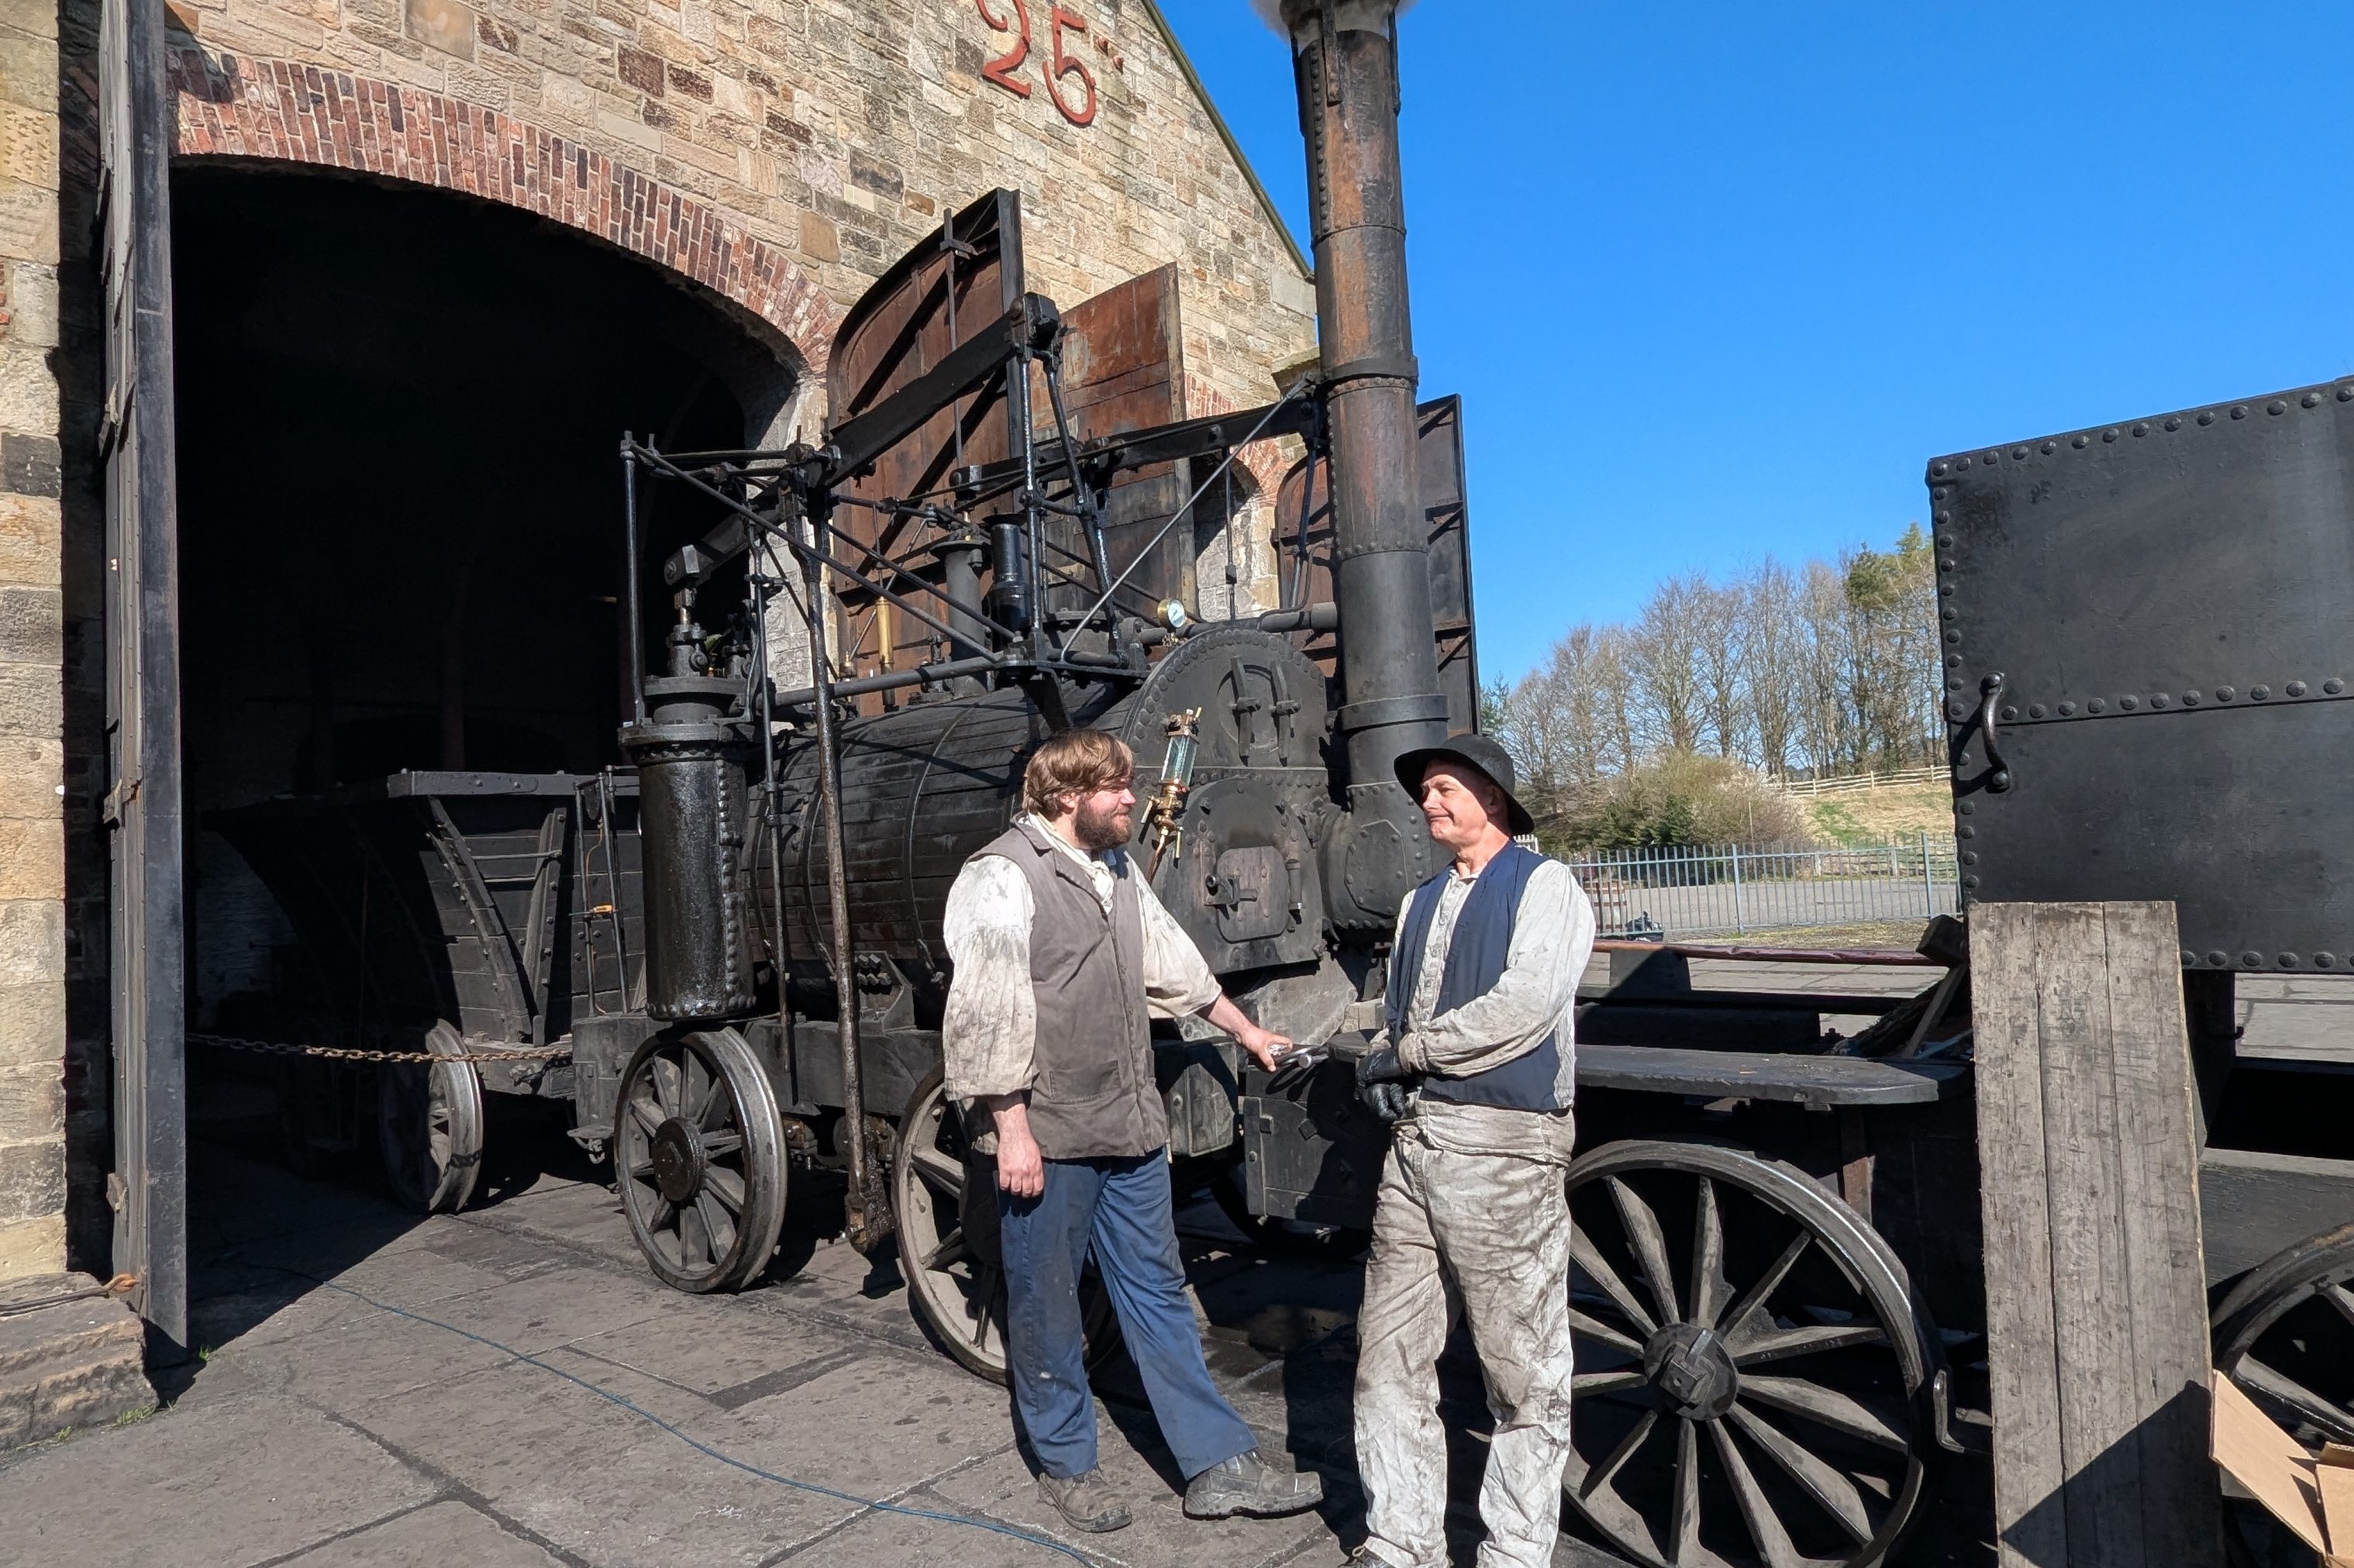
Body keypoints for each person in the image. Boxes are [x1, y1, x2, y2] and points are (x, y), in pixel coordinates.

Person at [941, 726, 1327, 1535]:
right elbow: (987, 1010)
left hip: (1129, 1124)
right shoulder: (1000, 876)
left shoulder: (1113, 868)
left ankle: (1217, 1464)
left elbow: (1174, 964)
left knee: (1157, 1292)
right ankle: (1066, 1464)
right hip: (1048, 1134)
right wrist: (1012, 1131)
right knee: (1047, 1305)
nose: (1131, 798)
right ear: (1065, 797)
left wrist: (1246, 1032)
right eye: (1114, 787)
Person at [1347, 732, 1594, 1568]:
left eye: (1445, 787)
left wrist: (1408, 1053)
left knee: (1521, 1372)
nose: (1429, 802)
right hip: (1416, 1147)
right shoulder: (1418, 901)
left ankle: (1515, 1551)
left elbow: (1524, 1006)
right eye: (1424, 791)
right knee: (1388, 1357)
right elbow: (1396, 1012)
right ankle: (1400, 1539)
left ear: (1492, 798)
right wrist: (1382, 1058)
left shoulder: (1545, 885)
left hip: (1503, 1151)